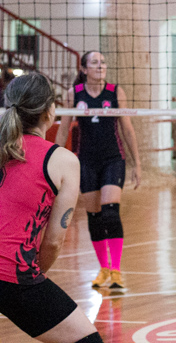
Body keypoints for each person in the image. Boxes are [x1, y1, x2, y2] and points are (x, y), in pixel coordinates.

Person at [0, 73, 103, 343]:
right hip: (12, 273)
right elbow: (54, 242)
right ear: (49, 111)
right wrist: (35, 276)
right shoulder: (63, 161)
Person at [55, 51, 140, 289]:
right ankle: (104, 268)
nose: (100, 66)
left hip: (113, 159)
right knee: (94, 216)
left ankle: (117, 271)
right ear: (84, 69)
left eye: (103, 62)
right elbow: (63, 129)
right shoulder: (74, 94)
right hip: (87, 161)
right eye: (95, 63)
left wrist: (137, 164)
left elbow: (127, 129)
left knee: (110, 212)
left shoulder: (115, 92)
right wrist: (52, 160)